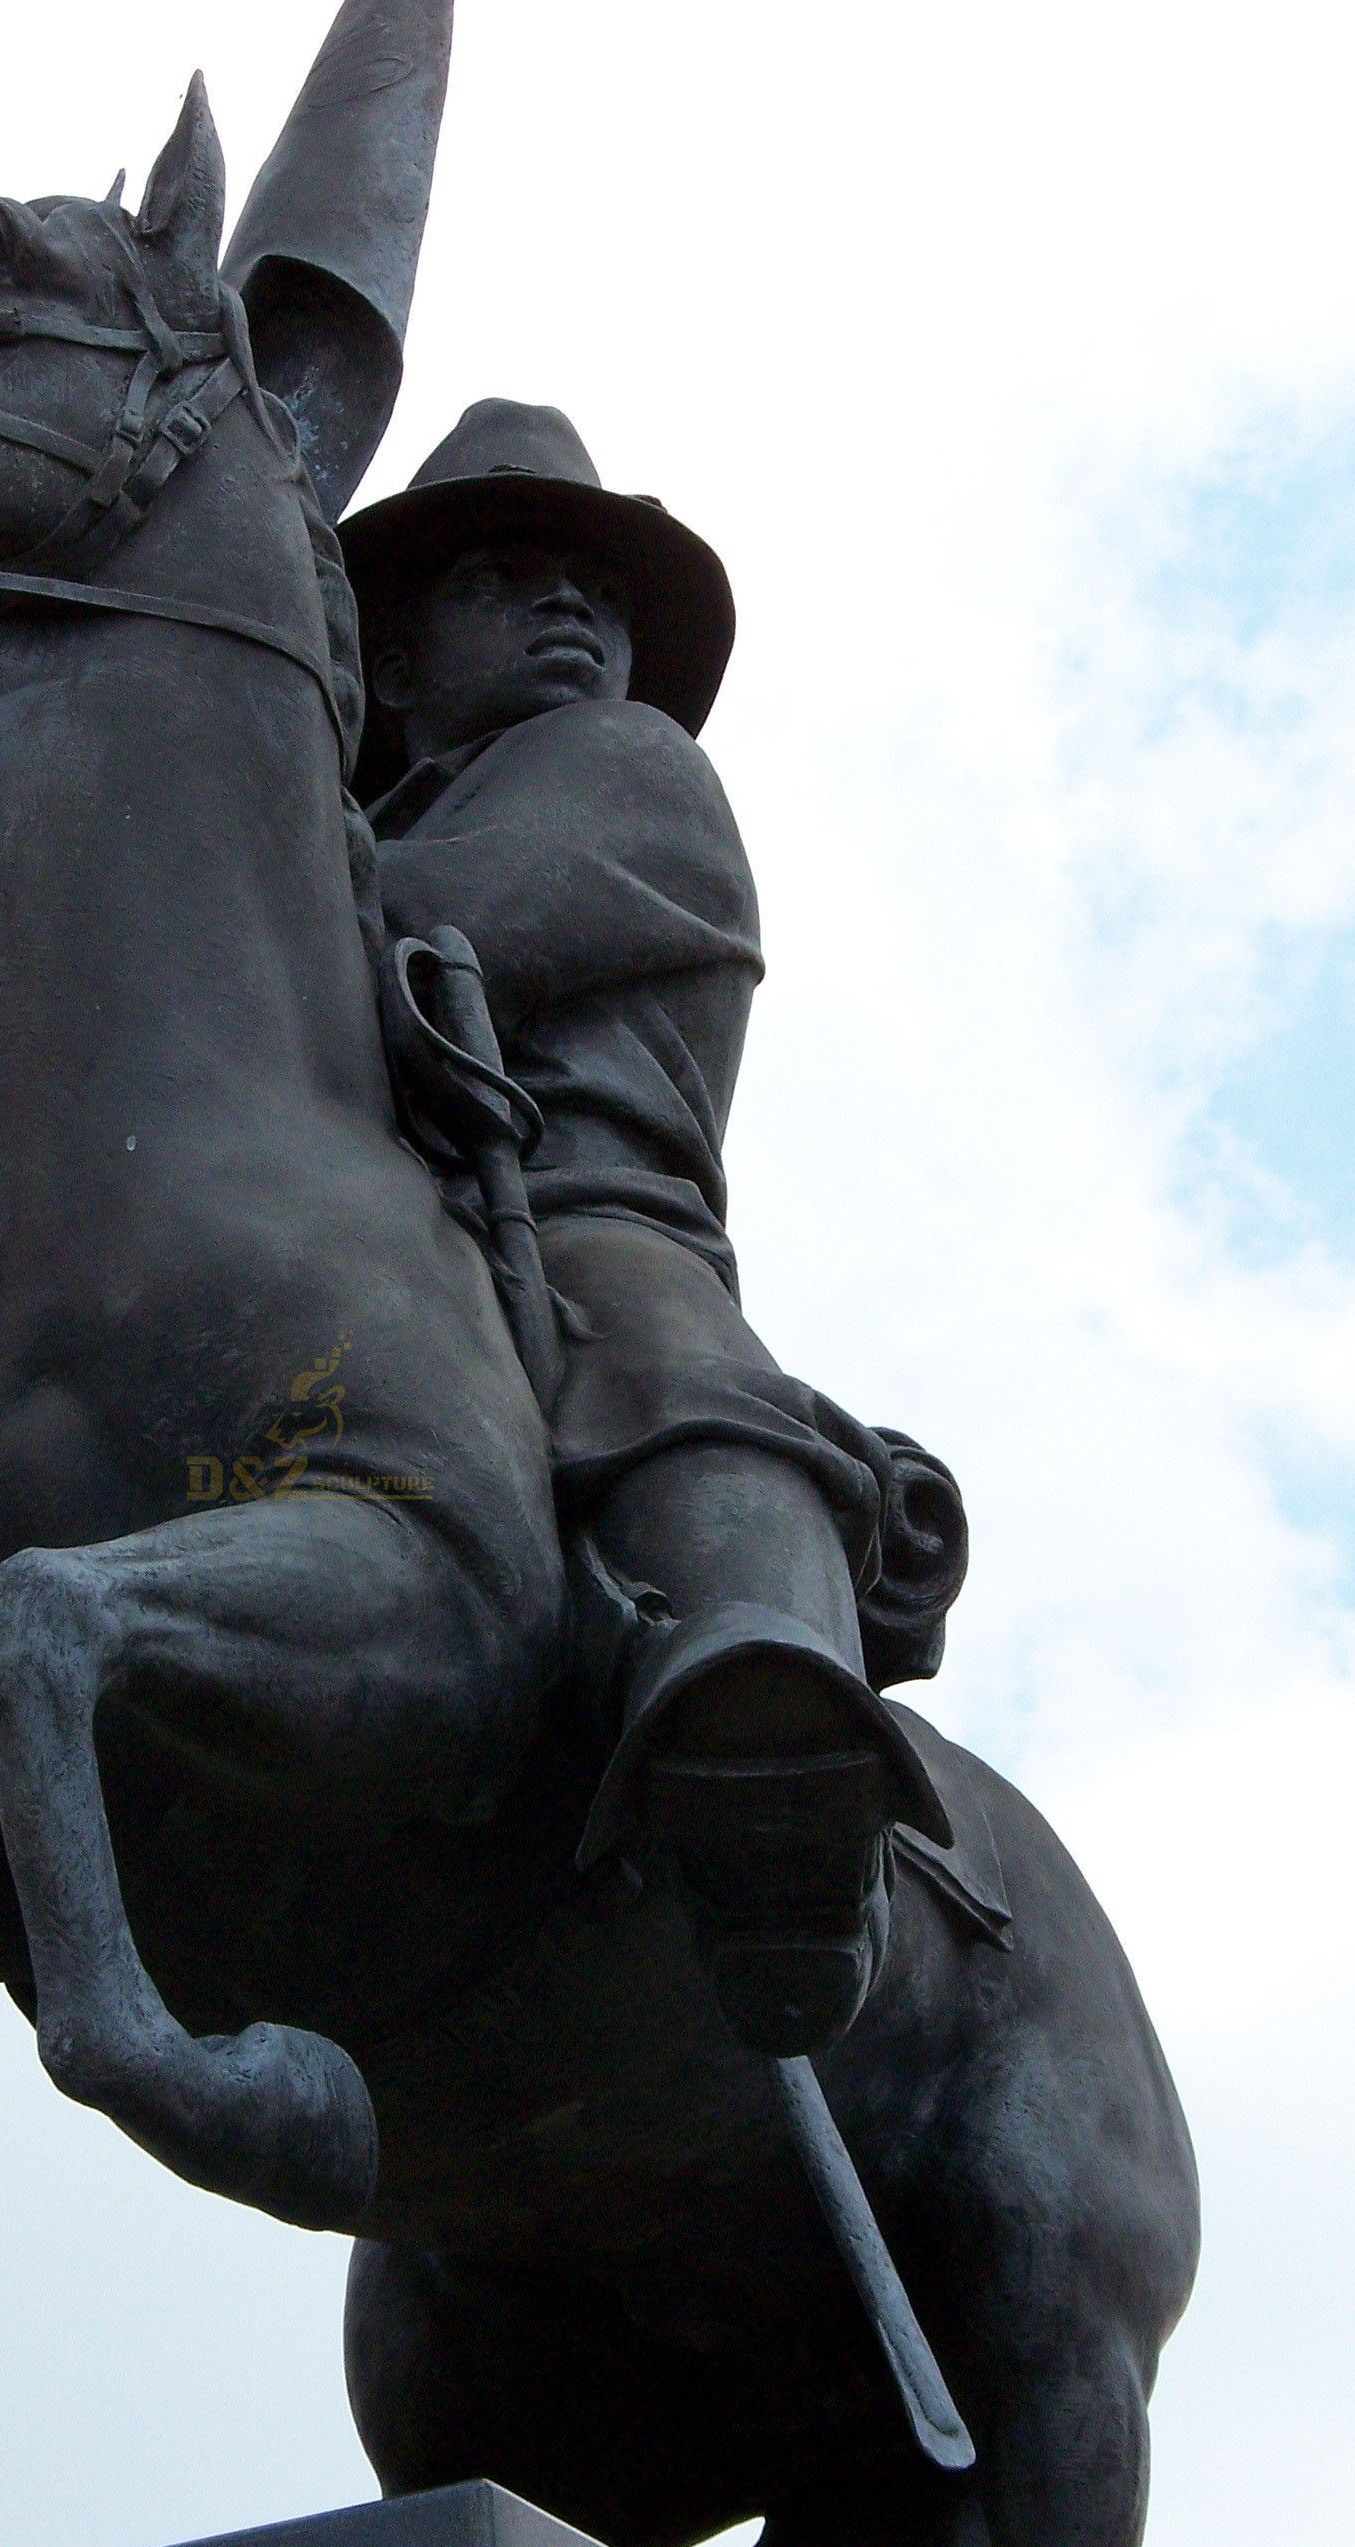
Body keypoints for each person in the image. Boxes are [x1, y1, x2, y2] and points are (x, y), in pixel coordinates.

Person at [341, 399, 963, 2058]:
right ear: (393, 669)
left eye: (596, 592)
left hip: (572, 1216)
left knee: (674, 1373)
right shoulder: (352, 827)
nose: (572, 609)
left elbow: (418, 942)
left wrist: (199, 865)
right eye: (507, 577)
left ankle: (771, 1739)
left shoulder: (628, 768)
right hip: (330, 1226)